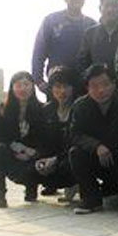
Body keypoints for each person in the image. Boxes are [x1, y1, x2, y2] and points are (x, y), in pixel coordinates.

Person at [68, 64, 118, 214]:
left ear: (114, 84)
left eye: (105, 84)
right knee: (76, 153)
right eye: (94, 86)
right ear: (87, 88)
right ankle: (91, 200)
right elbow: (75, 134)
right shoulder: (80, 106)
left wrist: (111, 146)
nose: (100, 90)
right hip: (97, 157)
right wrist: (96, 146)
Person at [31, 0, 96, 93]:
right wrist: (39, 81)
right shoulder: (51, 21)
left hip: (83, 84)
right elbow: (39, 52)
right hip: (57, 83)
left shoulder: (92, 24)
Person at [0, 72, 45, 207]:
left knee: (41, 155)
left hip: (33, 156)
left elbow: (44, 138)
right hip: (13, 153)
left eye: (26, 84)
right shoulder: (4, 109)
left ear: (32, 87)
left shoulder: (42, 109)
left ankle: (31, 188)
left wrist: (30, 153)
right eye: (18, 85)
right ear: (12, 88)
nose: (23, 89)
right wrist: (19, 150)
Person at [34, 66, 78, 196]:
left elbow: (78, 141)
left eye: (66, 86)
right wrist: (42, 158)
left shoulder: (79, 108)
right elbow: (41, 140)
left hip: (69, 157)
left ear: (73, 87)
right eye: (58, 87)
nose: (62, 91)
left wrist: (56, 159)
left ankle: (78, 184)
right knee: (33, 168)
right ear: (51, 89)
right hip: (51, 157)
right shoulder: (46, 111)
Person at [76, 0, 118, 77]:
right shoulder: (90, 34)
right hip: (97, 83)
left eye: (114, 6)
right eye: (107, 5)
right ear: (100, 8)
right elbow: (82, 63)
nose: (110, 9)